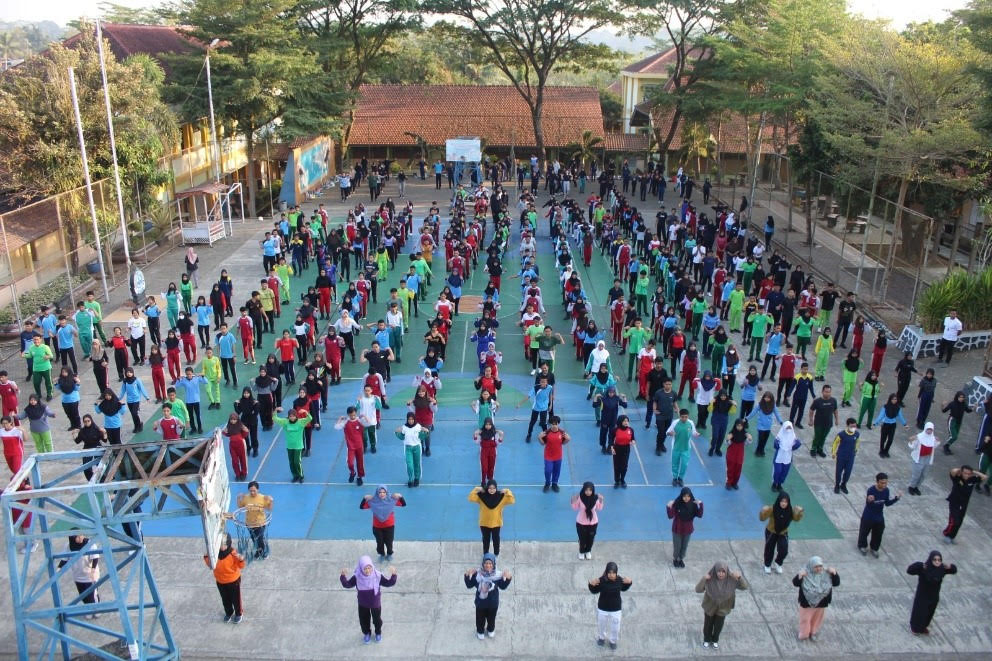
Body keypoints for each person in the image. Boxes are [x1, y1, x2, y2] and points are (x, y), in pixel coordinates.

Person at [340, 556, 397, 644]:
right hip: (363, 603)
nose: (367, 570)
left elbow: (389, 583)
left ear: (372, 566)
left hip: (375, 603)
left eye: (369, 568)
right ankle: (367, 633)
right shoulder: (357, 577)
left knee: (377, 619)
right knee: (363, 619)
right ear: (361, 568)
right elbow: (347, 585)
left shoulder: (377, 576)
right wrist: (343, 576)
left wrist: (394, 574)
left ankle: (378, 632)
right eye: (365, 568)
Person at [696, 561, 748, 649]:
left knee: (718, 626)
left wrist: (739, 577)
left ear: (726, 571)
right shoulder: (709, 580)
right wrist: (703, 579)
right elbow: (698, 589)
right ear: (715, 571)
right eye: (719, 571)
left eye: (723, 571)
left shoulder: (732, 580)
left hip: (723, 609)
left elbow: (744, 587)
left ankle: (715, 640)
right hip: (709, 608)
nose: (721, 574)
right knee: (708, 625)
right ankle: (707, 639)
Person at [907, 551, 957, 635]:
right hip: (922, 596)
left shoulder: (942, 569)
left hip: (933, 596)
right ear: (931, 559)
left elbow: (954, 570)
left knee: (929, 613)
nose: (937, 562)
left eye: (939, 560)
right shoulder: (924, 568)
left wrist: (950, 566)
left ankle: (923, 627)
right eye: (935, 560)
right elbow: (909, 570)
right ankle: (915, 628)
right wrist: (919, 565)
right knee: (919, 613)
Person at [465, 553, 512, 640]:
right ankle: (480, 631)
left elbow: (503, 586)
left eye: (490, 563)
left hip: (493, 604)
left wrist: (508, 577)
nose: (488, 565)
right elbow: (469, 585)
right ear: (483, 564)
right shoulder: (477, 575)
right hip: (480, 603)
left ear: (493, 564)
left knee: (491, 619)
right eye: (486, 563)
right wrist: (467, 574)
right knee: (480, 619)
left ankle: (490, 629)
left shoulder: (498, 575)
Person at [792, 556, 839, 641]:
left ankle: (813, 632)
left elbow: (836, 583)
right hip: (807, 603)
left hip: (822, 602)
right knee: (805, 619)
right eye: (816, 567)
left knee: (817, 619)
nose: (818, 569)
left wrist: (835, 573)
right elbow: (795, 583)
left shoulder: (827, 573)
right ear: (811, 566)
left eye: (820, 566)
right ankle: (804, 634)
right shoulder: (805, 573)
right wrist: (800, 576)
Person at [588, 561, 632, 650]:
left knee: (616, 627)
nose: (611, 575)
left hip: (616, 610)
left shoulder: (620, 580)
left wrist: (630, 582)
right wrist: (591, 585)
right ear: (606, 572)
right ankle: (601, 638)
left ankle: (613, 641)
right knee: (601, 625)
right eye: (609, 573)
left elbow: (624, 588)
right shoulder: (601, 581)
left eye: (613, 573)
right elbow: (594, 591)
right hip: (602, 609)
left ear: (616, 573)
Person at [203, 533, 245, 623]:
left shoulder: (233, 554)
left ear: (229, 544)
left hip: (234, 581)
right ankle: (229, 612)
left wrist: (241, 559)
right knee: (225, 599)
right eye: (220, 545)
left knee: (236, 599)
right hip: (220, 581)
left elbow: (241, 566)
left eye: (225, 545)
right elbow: (210, 564)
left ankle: (238, 613)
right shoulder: (214, 554)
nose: (222, 547)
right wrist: (206, 556)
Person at [57, 535, 101, 617]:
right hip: (78, 576)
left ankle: (96, 609)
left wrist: (93, 570)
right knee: (83, 595)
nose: (81, 537)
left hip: (90, 576)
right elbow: (64, 559)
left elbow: (95, 558)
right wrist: (59, 568)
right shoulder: (68, 546)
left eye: (81, 535)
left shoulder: (90, 544)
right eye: (77, 537)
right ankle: (88, 609)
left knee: (93, 594)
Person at [858, 472, 901, 557]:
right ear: (877, 482)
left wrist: (896, 499)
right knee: (864, 531)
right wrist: (869, 500)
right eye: (882, 483)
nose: (884, 484)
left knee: (878, 533)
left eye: (885, 483)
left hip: (879, 516)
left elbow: (887, 503)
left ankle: (874, 548)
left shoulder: (886, 491)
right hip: (868, 516)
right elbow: (868, 502)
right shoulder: (871, 490)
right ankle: (862, 546)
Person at [760, 491, 804, 574]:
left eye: (786, 502)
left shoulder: (790, 510)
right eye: (782, 501)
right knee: (769, 549)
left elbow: (796, 519)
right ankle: (767, 565)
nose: (784, 504)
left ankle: (778, 563)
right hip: (771, 532)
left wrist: (799, 513)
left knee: (784, 550)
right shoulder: (772, 509)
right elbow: (762, 518)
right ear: (778, 501)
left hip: (783, 533)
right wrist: (763, 511)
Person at [468, 480, 515, 556]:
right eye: (490, 488)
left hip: (496, 523)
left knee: (496, 540)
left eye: (493, 488)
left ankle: (496, 554)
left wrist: (507, 490)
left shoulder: (501, 497)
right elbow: (471, 498)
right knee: (485, 540)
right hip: (484, 523)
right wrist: (476, 489)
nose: (492, 490)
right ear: (487, 488)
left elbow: (512, 500)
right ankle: (486, 554)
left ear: (496, 488)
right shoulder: (482, 497)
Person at [941, 465, 986, 543]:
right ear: (961, 472)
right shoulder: (957, 478)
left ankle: (952, 537)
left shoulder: (972, 480)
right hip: (954, 502)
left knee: (960, 521)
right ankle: (947, 533)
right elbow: (952, 471)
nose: (967, 475)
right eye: (965, 473)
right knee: (954, 521)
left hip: (964, 504)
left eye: (969, 474)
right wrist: (960, 470)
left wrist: (974, 472)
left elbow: (984, 477)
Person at [361, 486, 406, 561]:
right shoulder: (372, 501)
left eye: (383, 492)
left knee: (389, 542)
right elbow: (361, 507)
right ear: (377, 493)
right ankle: (381, 554)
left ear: (386, 493)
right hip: (377, 527)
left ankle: (389, 554)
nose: (382, 494)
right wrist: (364, 498)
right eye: (380, 492)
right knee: (379, 542)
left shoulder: (391, 500)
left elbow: (403, 504)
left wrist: (400, 496)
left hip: (389, 526)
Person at [666, 486, 703, 568]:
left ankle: (680, 559)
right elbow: (670, 516)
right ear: (681, 496)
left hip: (688, 530)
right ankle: (675, 559)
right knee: (677, 546)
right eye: (684, 496)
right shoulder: (677, 504)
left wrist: (701, 504)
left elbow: (700, 515)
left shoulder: (693, 505)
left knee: (684, 546)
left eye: (688, 496)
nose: (686, 498)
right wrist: (669, 507)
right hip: (677, 530)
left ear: (690, 496)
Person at [273, 408, 312, 484]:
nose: (292, 417)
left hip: (298, 446)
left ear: (296, 416)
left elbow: (310, 418)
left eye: (293, 416)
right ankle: (295, 476)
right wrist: (275, 410)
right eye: (290, 416)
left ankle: (301, 476)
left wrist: (305, 412)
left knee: (297, 462)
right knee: (291, 462)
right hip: (289, 446)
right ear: (288, 416)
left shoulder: (301, 422)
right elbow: (275, 418)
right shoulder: (285, 422)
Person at [236, 481, 273, 560]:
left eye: (254, 490)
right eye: (250, 491)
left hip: (260, 523)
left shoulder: (263, 498)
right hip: (249, 523)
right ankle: (259, 551)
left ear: (258, 490)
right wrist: (238, 498)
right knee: (254, 538)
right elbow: (240, 507)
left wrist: (271, 501)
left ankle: (263, 552)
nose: (252, 492)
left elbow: (269, 509)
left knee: (259, 538)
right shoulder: (246, 497)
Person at [571, 481, 604, 560]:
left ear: (593, 490)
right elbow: (575, 508)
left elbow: (599, 508)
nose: (588, 492)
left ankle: (588, 550)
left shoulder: (595, 498)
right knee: (582, 539)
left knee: (591, 538)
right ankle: (581, 551)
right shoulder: (580, 497)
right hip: (581, 522)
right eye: (586, 490)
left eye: (590, 490)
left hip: (593, 522)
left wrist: (601, 500)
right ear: (583, 490)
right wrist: (573, 500)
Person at [538, 416, 570, 492]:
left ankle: (554, 484)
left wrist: (568, 440)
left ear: (558, 424)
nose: (554, 426)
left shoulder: (562, 433)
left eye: (556, 424)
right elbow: (543, 444)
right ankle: (547, 483)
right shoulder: (547, 432)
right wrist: (539, 438)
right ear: (550, 424)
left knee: (557, 471)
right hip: (548, 456)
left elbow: (563, 443)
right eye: (552, 424)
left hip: (558, 456)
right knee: (548, 470)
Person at [395, 413, 428, 488]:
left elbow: (422, 436)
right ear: (407, 419)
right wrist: (396, 432)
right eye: (409, 419)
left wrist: (426, 432)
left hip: (417, 447)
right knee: (409, 465)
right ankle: (410, 479)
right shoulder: (404, 427)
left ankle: (417, 478)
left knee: (417, 464)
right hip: (408, 449)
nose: (411, 421)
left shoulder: (418, 427)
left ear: (414, 419)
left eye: (412, 419)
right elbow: (401, 437)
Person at [908, 422, 940, 495]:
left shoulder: (933, 438)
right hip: (919, 459)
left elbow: (934, 446)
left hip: (927, 459)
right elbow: (912, 446)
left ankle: (917, 487)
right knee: (916, 475)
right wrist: (911, 440)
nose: (929, 431)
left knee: (924, 475)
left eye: (931, 430)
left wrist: (937, 441)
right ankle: (911, 487)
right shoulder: (919, 437)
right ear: (925, 429)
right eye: (928, 429)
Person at [830, 417, 860, 494]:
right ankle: (837, 485)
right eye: (852, 426)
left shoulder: (857, 434)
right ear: (847, 425)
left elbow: (857, 442)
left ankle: (843, 485)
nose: (853, 428)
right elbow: (835, 443)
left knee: (848, 472)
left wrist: (856, 450)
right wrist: (833, 453)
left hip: (850, 457)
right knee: (838, 472)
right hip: (841, 456)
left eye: (854, 426)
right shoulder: (841, 434)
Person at [772, 421, 801, 491]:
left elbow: (795, 445)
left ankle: (779, 484)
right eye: (787, 427)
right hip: (779, 457)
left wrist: (797, 444)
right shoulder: (779, 436)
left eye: (789, 428)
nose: (788, 429)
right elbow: (775, 445)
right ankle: (774, 483)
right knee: (777, 471)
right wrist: (777, 444)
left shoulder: (793, 436)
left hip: (787, 457)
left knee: (784, 472)